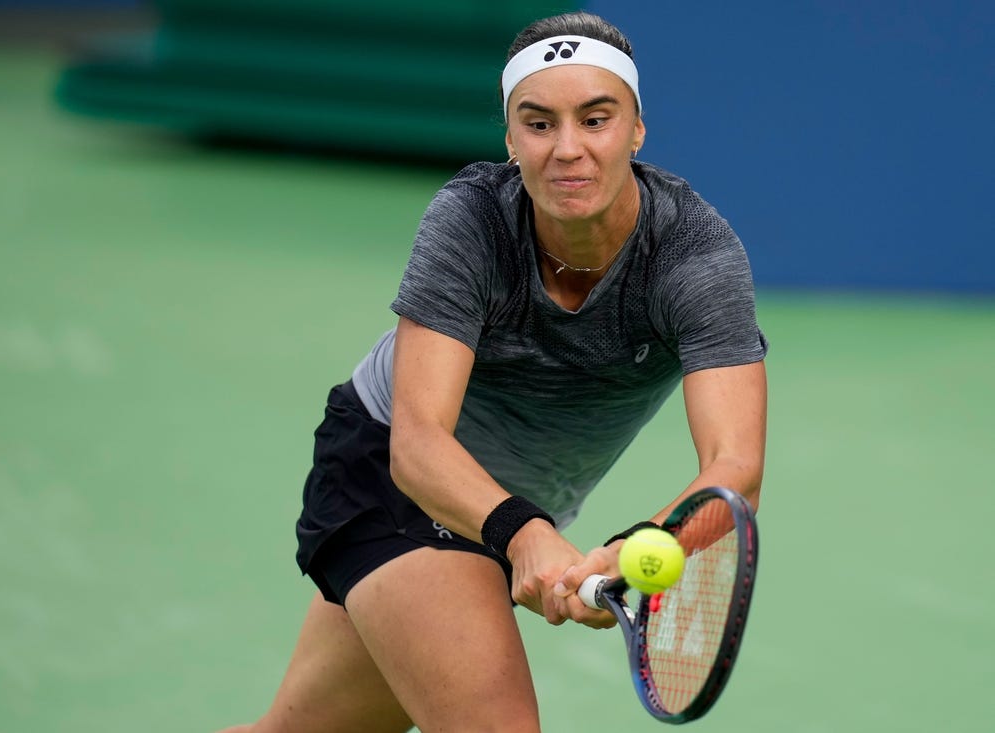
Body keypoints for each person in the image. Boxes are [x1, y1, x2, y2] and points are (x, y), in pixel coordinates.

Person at [220, 10, 767, 733]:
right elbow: (417, 440)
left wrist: (642, 546)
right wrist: (521, 533)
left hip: (512, 506)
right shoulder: (471, 219)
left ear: (637, 129)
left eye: (595, 119)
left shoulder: (696, 257)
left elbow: (733, 468)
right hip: (388, 476)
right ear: (511, 139)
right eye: (539, 124)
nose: (567, 149)